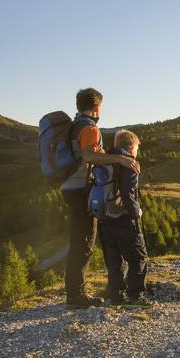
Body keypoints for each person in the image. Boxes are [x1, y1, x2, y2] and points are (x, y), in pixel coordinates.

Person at [61, 88, 140, 308]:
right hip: (80, 189)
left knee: (80, 239)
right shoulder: (89, 128)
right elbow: (89, 156)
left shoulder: (74, 125)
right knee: (84, 241)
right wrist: (120, 159)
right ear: (96, 107)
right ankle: (76, 295)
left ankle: (75, 291)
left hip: (70, 187)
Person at [98, 129, 150, 307]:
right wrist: (137, 213)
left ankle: (116, 296)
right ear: (130, 147)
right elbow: (128, 195)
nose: (136, 152)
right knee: (137, 257)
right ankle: (135, 297)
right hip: (123, 218)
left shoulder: (104, 160)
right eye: (136, 148)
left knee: (114, 260)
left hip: (104, 217)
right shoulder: (130, 164)